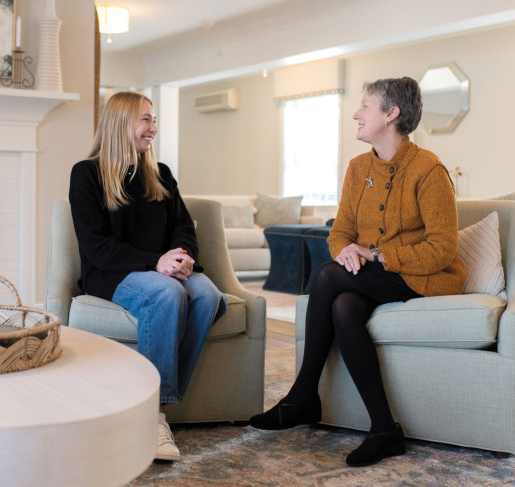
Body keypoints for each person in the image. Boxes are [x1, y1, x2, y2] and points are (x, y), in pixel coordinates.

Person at [249, 77, 467, 467]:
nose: (356, 113)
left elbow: (442, 249)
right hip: (373, 274)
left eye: (365, 105)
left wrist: (376, 255)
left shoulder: (429, 170)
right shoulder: (357, 168)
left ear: (391, 114)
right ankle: (384, 429)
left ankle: (303, 395)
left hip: (423, 277)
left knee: (329, 277)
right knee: (344, 306)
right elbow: (340, 232)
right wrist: (346, 251)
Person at [68, 91, 227, 462]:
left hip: (163, 269)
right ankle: (152, 416)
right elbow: (96, 247)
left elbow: (183, 228)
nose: (153, 127)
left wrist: (182, 258)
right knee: (167, 295)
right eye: (146, 119)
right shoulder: (86, 173)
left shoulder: (161, 174)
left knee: (209, 296)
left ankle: (156, 404)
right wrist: (157, 262)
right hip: (112, 273)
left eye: (154, 119)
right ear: (120, 123)